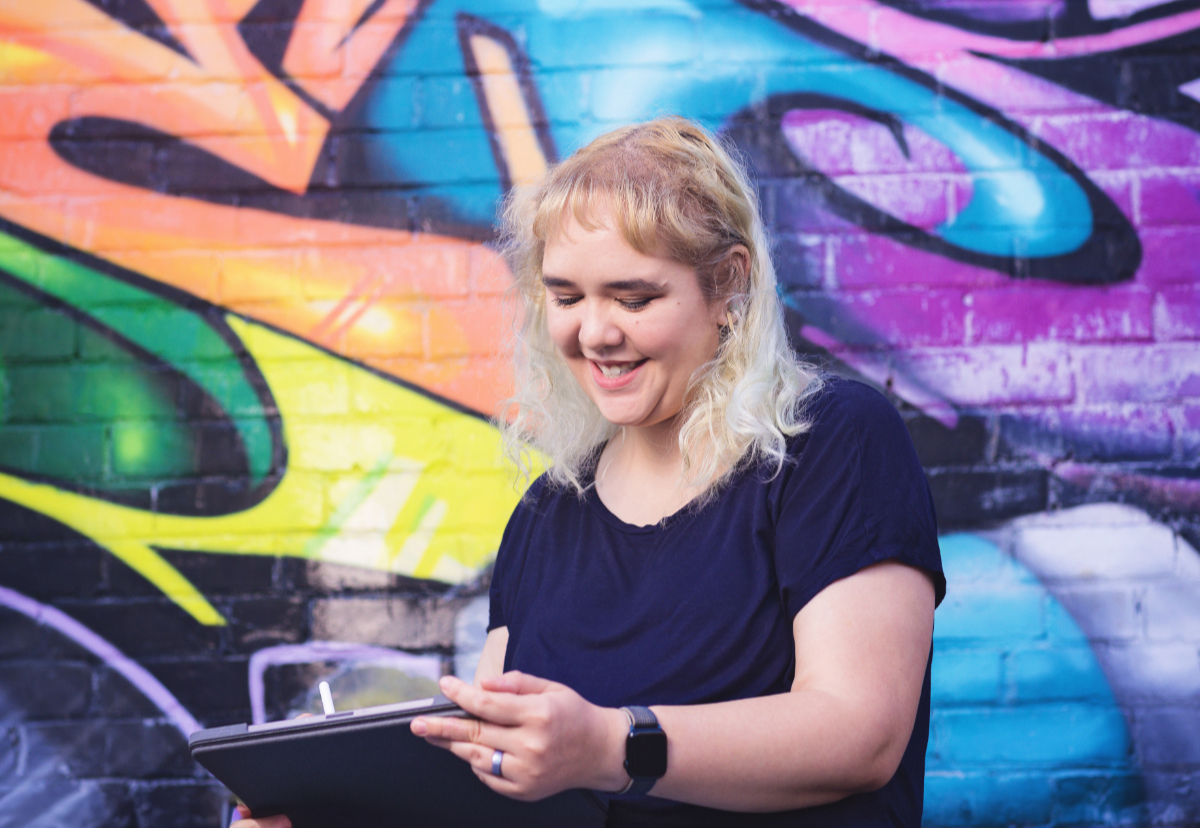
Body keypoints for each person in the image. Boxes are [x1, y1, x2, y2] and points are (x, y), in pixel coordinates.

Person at [234, 116, 944, 828]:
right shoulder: (547, 515)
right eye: (567, 297)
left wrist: (612, 745)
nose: (595, 333)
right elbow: (498, 786)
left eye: (634, 299)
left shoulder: (830, 443)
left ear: (728, 285)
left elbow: (860, 734)